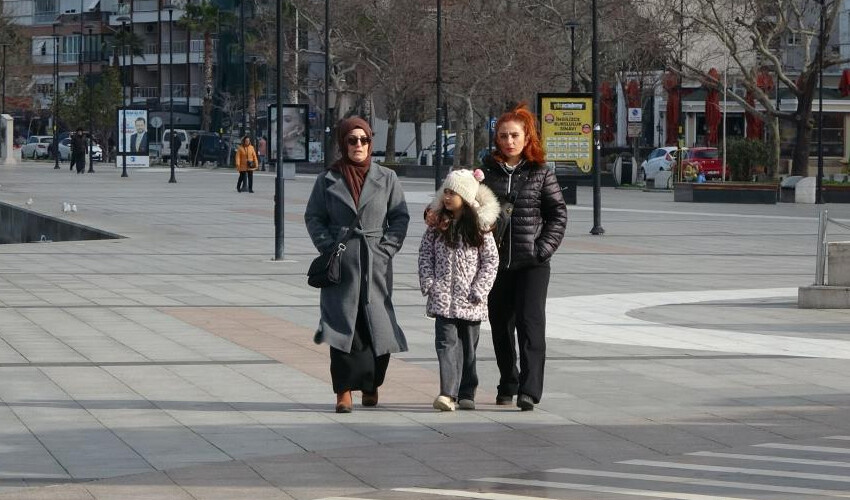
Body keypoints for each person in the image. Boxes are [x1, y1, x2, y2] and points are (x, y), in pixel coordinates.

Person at [304, 117, 410, 413]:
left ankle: (372, 384)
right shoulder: (328, 178)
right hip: (342, 265)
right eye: (352, 140)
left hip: (376, 263)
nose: (359, 146)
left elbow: (400, 217)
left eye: (364, 140)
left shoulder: (387, 177)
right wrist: (329, 247)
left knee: (378, 326)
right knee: (341, 326)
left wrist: (386, 249)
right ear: (343, 143)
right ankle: (343, 392)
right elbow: (313, 216)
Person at [480, 103, 567, 411]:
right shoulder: (486, 173)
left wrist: (542, 249)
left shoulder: (541, 173)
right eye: (503, 136)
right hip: (495, 262)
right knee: (500, 325)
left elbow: (558, 214)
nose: (509, 141)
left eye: (515, 135)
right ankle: (508, 380)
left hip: (532, 264)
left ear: (527, 137)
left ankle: (529, 390)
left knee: (530, 325)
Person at [419, 168, 499, 412]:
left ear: (465, 196)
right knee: (445, 343)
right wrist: (429, 283)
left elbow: (490, 261)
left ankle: (467, 391)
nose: (447, 197)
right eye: (446, 191)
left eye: (453, 193)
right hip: (443, 298)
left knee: (468, 347)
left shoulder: (480, 228)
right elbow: (425, 255)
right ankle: (447, 393)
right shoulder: (436, 225)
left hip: (471, 300)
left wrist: (479, 290)